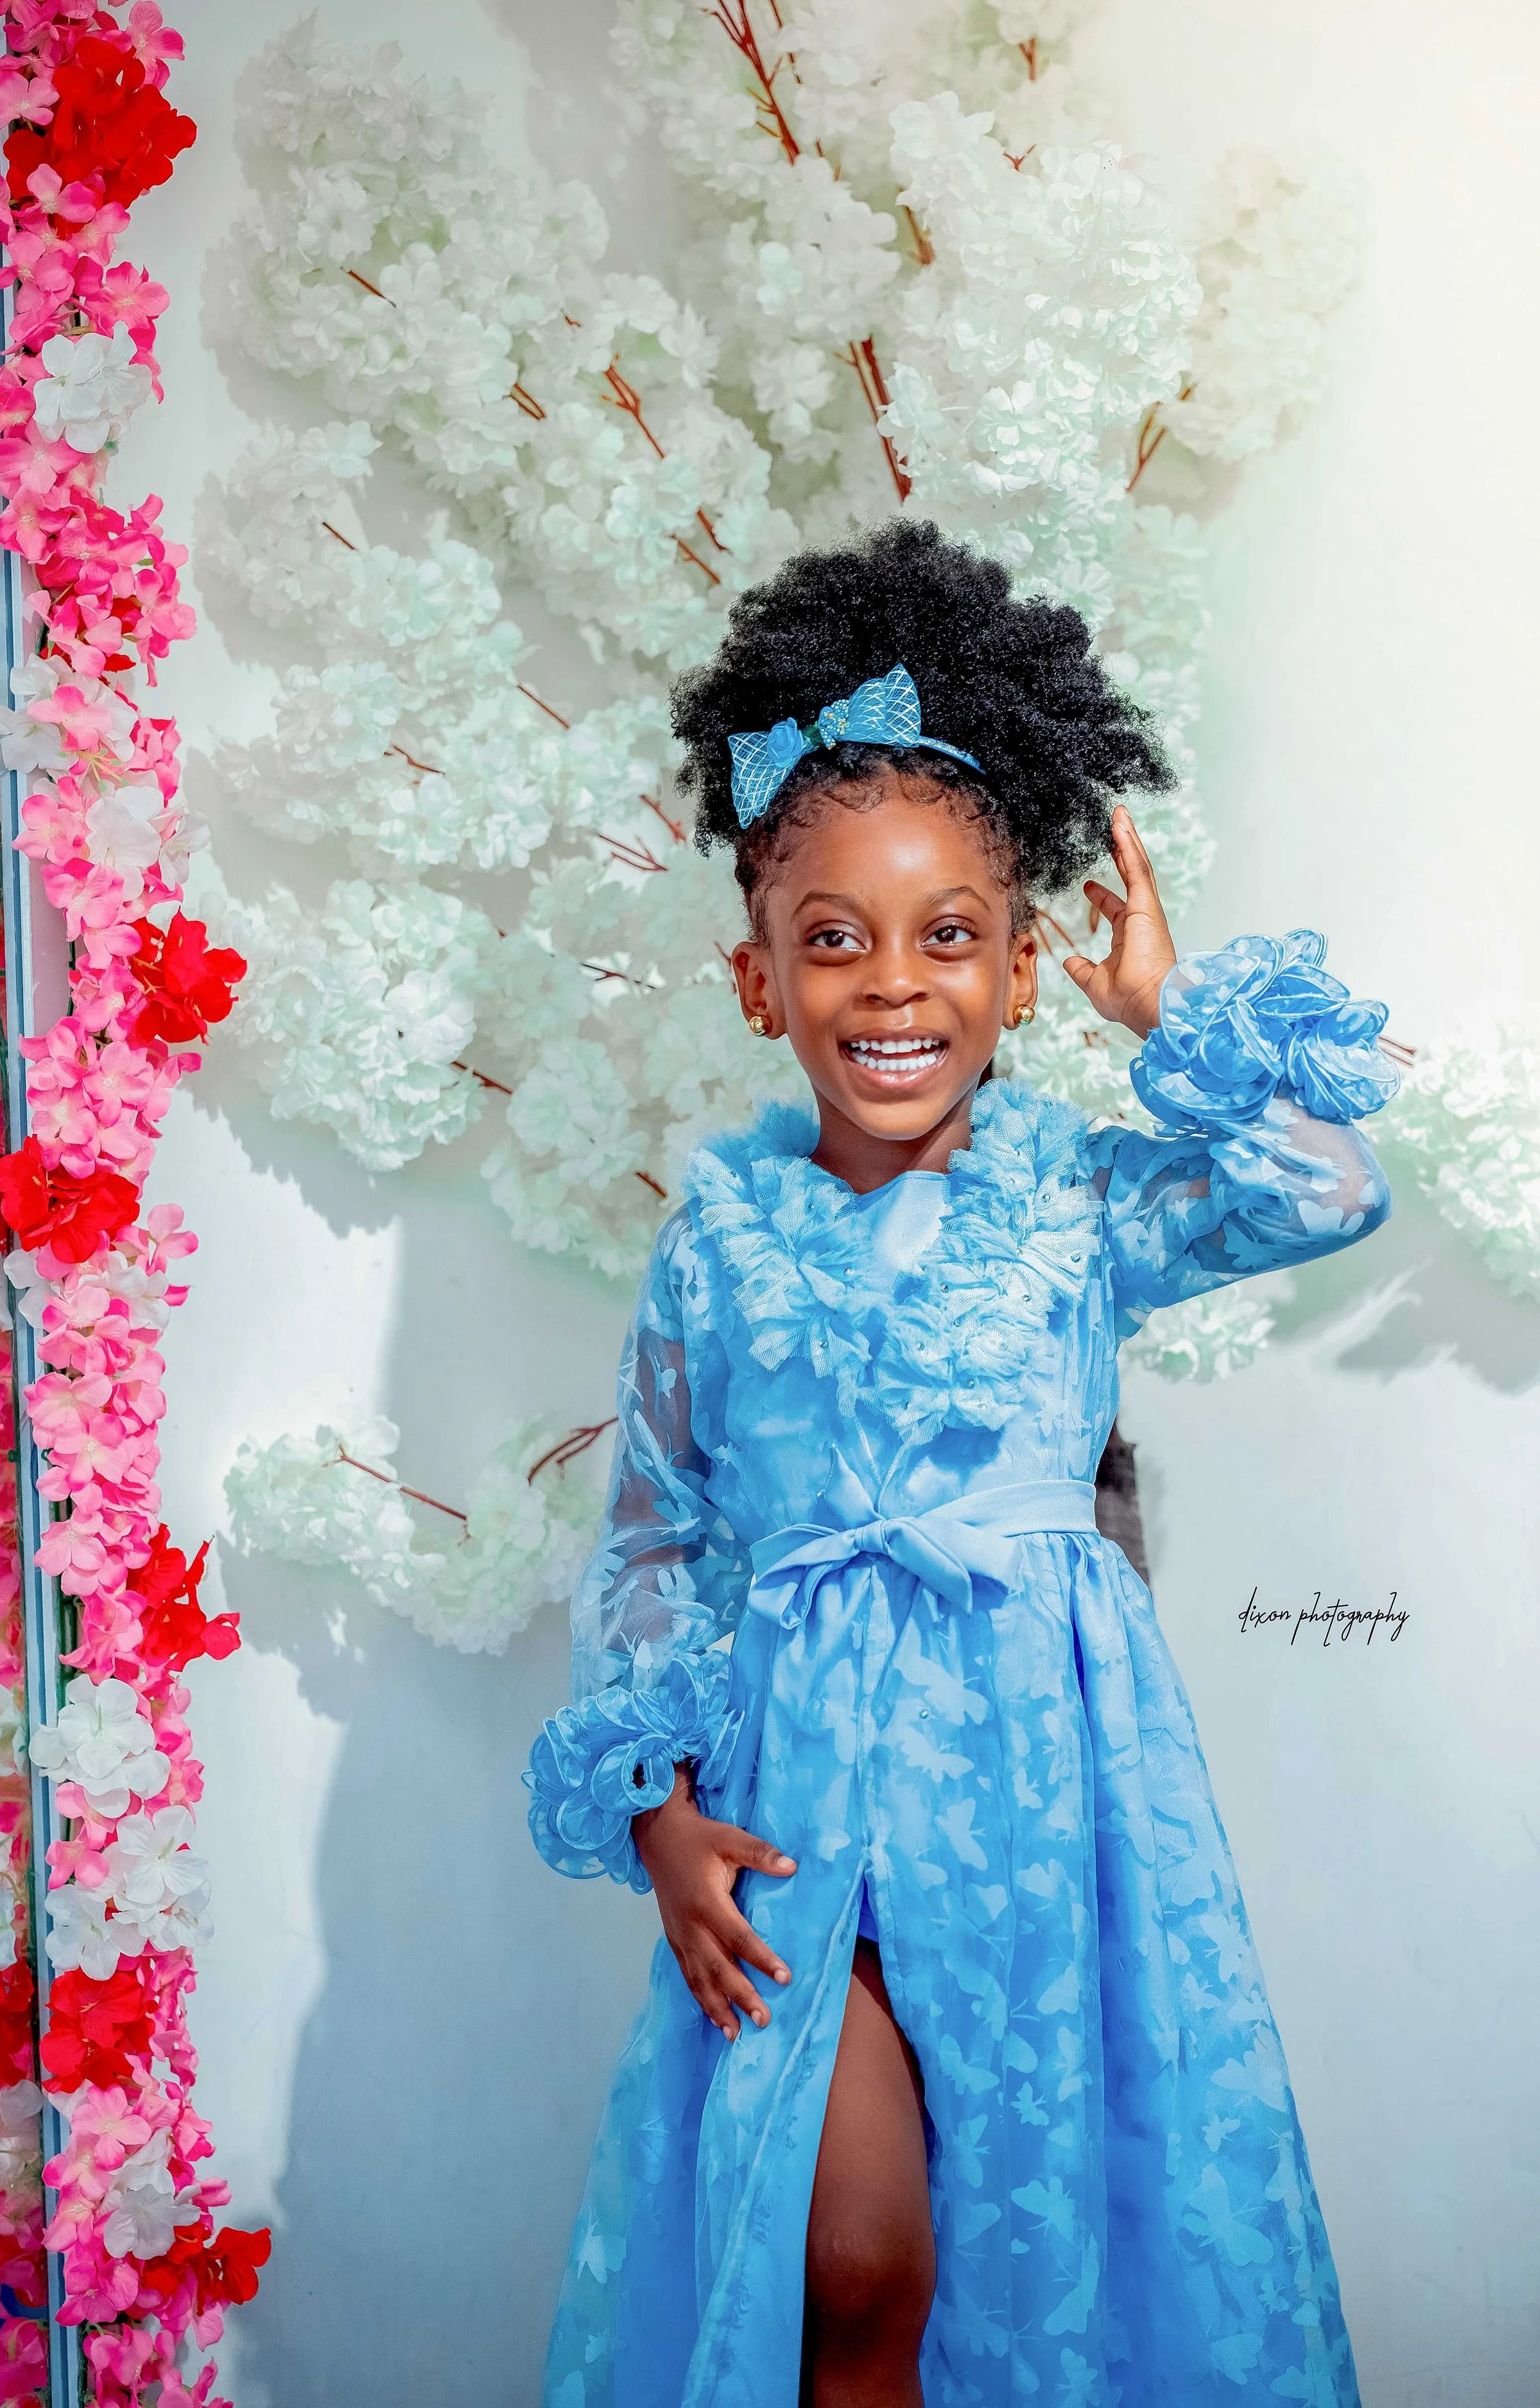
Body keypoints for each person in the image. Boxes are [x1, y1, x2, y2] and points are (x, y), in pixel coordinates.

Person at [526, 519, 1394, 2408]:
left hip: (1053, 1785)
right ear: (759, 981)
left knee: (1037, 2231)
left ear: (1014, 969)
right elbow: (659, 1532)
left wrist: (1172, 1020)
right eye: (827, 938)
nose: (890, 985)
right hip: (798, 1788)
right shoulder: (721, 1239)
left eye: (946, 937)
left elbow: (1323, 1184)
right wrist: (659, 1814)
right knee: (847, 2257)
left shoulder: (1078, 1199)